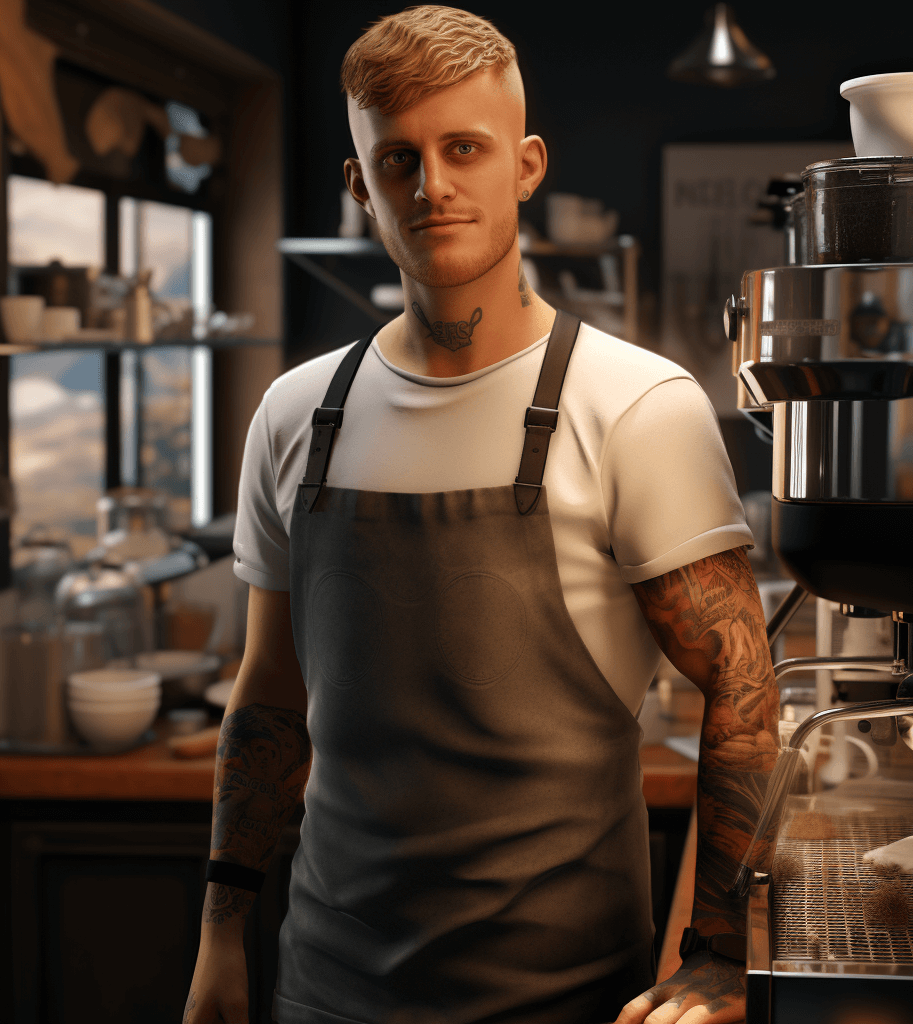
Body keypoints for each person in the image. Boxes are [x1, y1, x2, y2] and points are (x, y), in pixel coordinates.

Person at [184, 6, 780, 1024]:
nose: (432, 186)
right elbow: (270, 694)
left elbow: (744, 690)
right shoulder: (294, 417)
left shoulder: (635, 406)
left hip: (570, 997)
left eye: (464, 148)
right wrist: (220, 935)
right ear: (357, 182)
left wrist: (717, 952)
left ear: (526, 165)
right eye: (397, 159)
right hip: (322, 988)